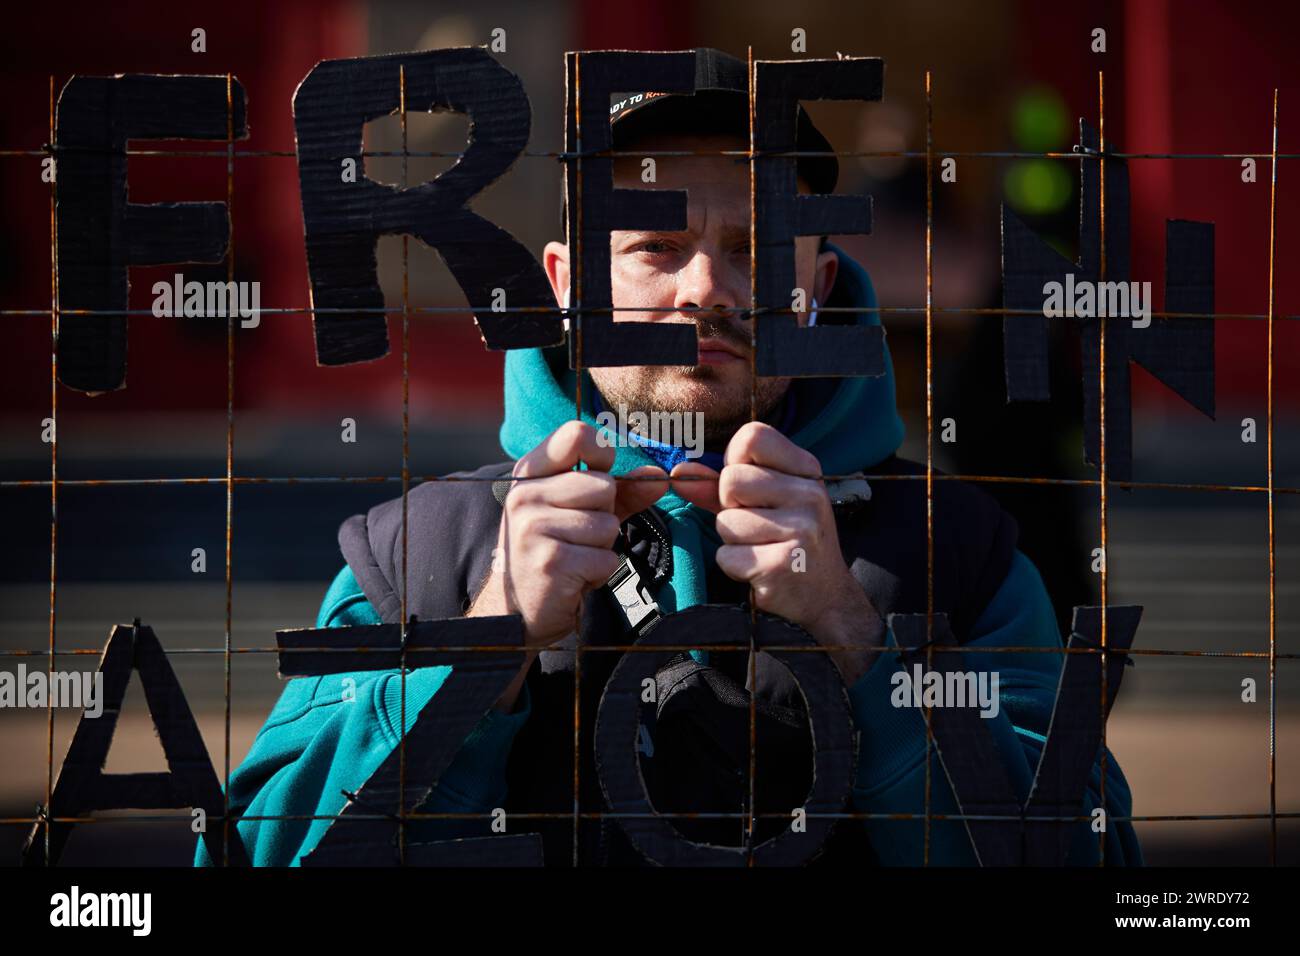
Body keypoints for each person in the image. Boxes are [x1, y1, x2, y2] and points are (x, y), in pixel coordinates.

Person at [196, 48, 1140, 868]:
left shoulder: (960, 553)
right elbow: (254, 853)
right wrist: (480, 647)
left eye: (755, 248)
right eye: (657, 243)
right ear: (565, 286)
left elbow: (1084, 853)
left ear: (814, 287)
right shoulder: (416, 554)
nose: (706, 290)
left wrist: (856, 634)